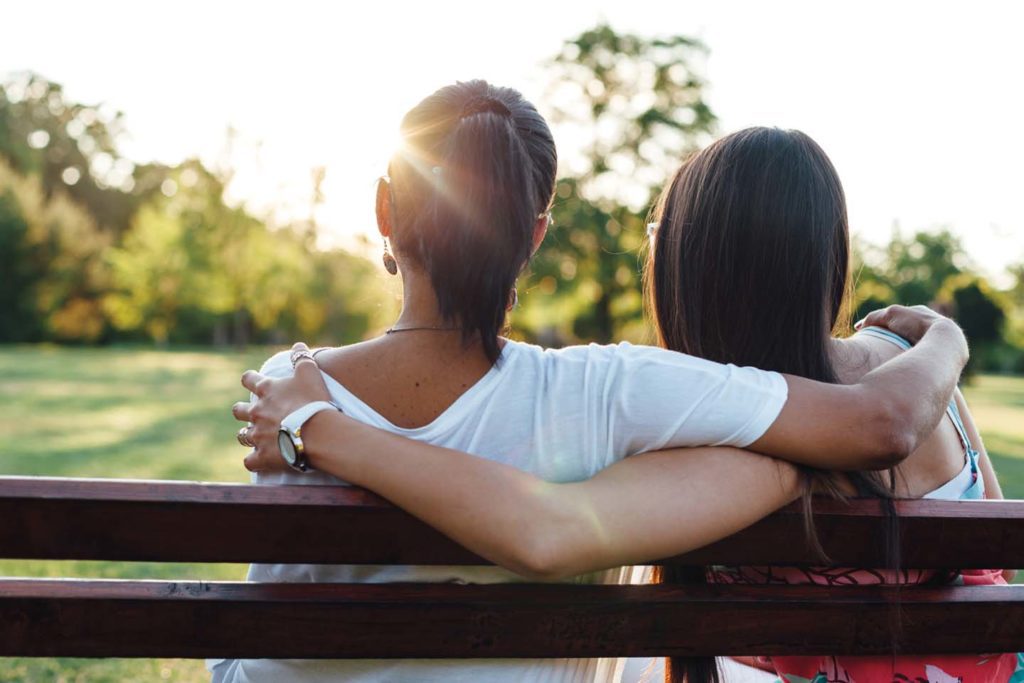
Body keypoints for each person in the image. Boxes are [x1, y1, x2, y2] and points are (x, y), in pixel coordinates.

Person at [227, 99, 970, 683]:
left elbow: (548, 532)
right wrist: (945, 338)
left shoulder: (295, 384)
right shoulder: (624, 388)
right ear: (535, 233)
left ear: (387, 212)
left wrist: (320, 426)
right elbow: (891, 428)